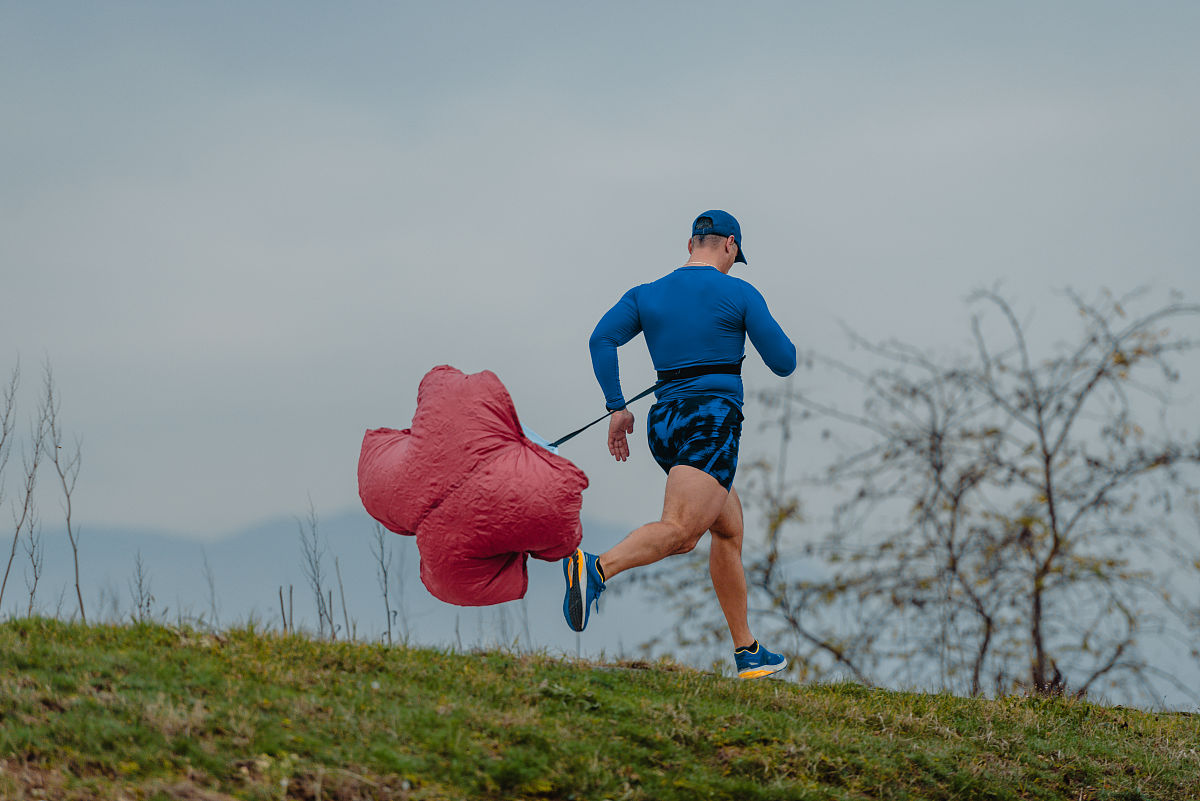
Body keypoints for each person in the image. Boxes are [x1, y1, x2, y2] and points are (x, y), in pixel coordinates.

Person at [562, 209, 797, 679]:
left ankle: (747, 650)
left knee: (727, 528)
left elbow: (601, 339)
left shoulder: (646, 294)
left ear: (691, 244)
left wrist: (617, 405)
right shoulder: (739, 292)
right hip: (710, 422)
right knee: (683, 532)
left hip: (664, 425)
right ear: (730, 245)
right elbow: (785, 361)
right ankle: (595, 569)